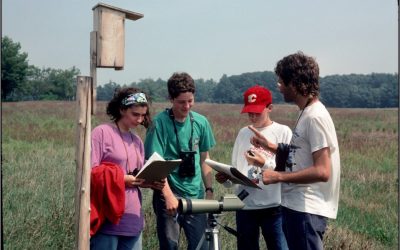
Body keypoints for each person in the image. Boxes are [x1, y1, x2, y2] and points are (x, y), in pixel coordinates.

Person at [248, 52, 341, 250]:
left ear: (296, 83)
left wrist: (278, 176)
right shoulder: (305, 112)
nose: (278, 86)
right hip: (296, 206)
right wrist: (270, 146)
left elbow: (323, 171)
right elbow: (302, 154)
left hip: (306, 209)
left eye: (282, 81)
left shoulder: (315, 117)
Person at [144, 72, 216, 250]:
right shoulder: (159, 123)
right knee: (170, 245)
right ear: (171, 98)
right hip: (169, 193)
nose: (187, 106)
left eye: (190, 101)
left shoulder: (201, 122)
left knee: (201, 245)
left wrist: (208, 190)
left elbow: (205, 158)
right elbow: (156, 165)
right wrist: (168, 196)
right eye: (181, 102)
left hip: (196, 195)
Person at [215, 85, 291, 250]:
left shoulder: (283, 132)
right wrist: (226, 179)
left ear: (270, 108)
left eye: (257, 111)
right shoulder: (243, 133)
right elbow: (236, 170)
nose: (253, 116)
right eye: (249, 111)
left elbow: (290, 169)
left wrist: (263, 163)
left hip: (275, 207)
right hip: (245, 207)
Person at [90, 87, 165, 250]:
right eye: (135, 114)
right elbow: (90, 173)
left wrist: (149, 182)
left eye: (143, 115)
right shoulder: (101, 133)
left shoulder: (137, 140)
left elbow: (136, 177)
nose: (139, 120)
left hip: (133, 220)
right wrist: (123, 179)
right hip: (108, 219)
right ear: (122, 109)